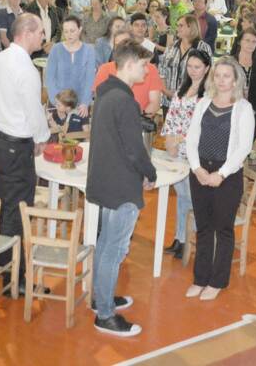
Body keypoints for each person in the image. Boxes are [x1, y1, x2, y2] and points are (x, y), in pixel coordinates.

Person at [87, 40, 158, 337]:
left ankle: (100, 297)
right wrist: (149, 172)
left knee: (105, 245)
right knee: (113, 250)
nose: (146, 70)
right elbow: (134, 148)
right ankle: (105, 315)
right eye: (143, 65)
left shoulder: (106, 93)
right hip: (121, 184)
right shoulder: (125, 101)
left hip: (105, 179)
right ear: (129, 65)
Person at [0, 13, 50, 296]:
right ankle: (16, 278)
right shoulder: (26, 68)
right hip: (16, 143)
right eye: (40, 33)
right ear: (26, 33)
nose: (43, 38)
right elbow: (34, 111)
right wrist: (42, 138)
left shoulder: (0, 59)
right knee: (16, 210)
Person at [183, 57, 255, 300]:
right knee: (203, 227)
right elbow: (192, 138)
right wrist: (197, 168)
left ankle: (217, 281)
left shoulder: (243, 108)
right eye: (218, 75)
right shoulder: (203, 103)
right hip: (201, 172)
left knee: (223, 229)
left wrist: (221, 174)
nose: (222, 80)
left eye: (227, 75)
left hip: (228, 176)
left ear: (236, 79)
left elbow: (243, 147)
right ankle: (200, 278)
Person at [160, 49, 211, 259]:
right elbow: (171, 115)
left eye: (197, 67)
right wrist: (169, 139)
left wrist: (179, 139)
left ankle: (194, 240)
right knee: (181, 197)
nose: (193, 70)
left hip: (193, 153)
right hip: (176, 151)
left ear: (207, 68)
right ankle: (180, 238)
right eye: (190, 66)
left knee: (191, 198)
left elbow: (202, 125)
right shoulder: (184, 88)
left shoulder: (208, 94)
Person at [92, 31, 164, 117]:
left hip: (141, 121)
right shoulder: (104, 69)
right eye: (117, 45)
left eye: (125, 43)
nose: (121, 48)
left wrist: (139, 121)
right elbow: (100, 102)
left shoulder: (150, 69)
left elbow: (155, 102)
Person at [44, 15, 97, 117]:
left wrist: (85, 102)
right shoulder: (56, 49)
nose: (69, 35)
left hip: (81, 104)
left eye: (72, 31)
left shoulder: (89, 50)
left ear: (80, 29)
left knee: (79, 132)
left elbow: (90, 79)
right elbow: (49, 78)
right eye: (66, 31)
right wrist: (58, 103)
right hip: (58, 102)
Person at [158, 15, 212, 106]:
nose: (177, 28)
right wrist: (165, 91)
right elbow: (161, 71)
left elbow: (208, 75)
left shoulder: (203, 48)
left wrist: (188, 94)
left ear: (191, 27)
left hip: (192, 102)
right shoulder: (172, 47)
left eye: (181, 25)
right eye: (177, 25)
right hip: (169, 102)